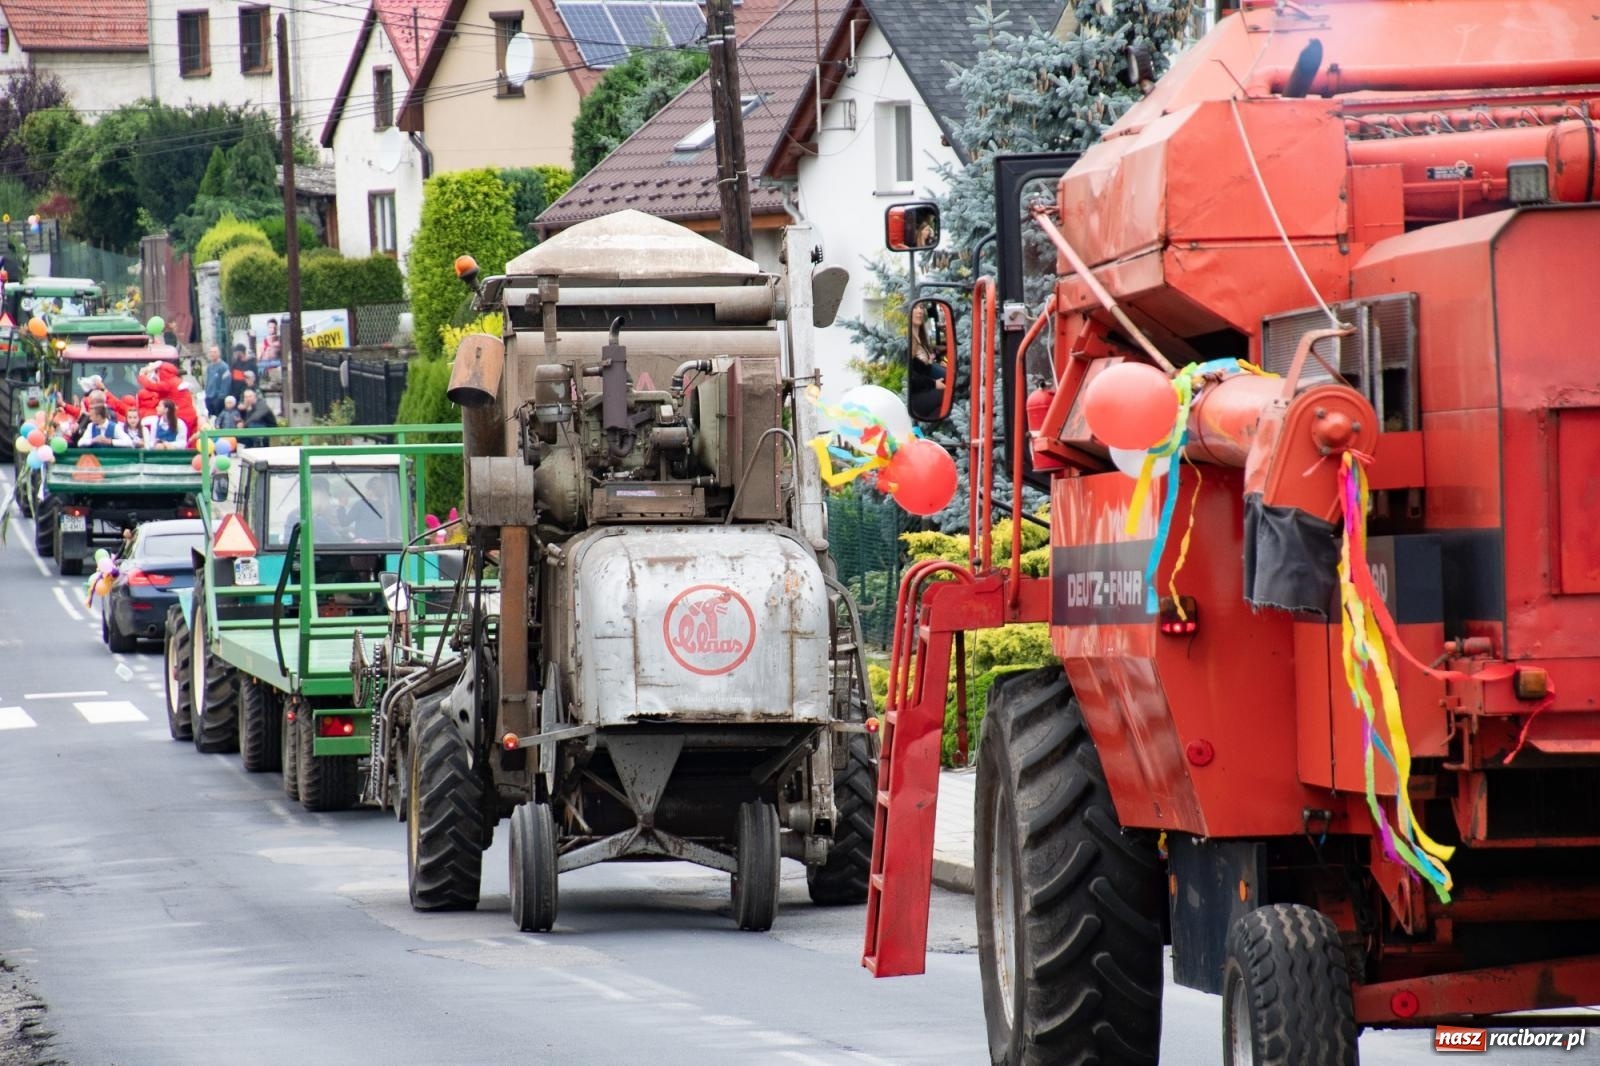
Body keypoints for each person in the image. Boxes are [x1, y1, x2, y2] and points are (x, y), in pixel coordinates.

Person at [907, 303, 947, 421]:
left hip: (925, 386)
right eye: (915, 307)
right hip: (915, 395)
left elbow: (925, 368)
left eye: (921, 307)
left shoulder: (921, 339)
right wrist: (933, 383)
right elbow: (912, 377)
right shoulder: (907, 342)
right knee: (946, 395)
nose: (919, 311)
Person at [202, 344, 230, 418]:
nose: (212, 354)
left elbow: (225, 385)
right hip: (209, 398)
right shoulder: (209, 367)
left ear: (219, 353)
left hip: (218, 399)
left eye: (215, 352)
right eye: (211, 352)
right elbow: (208, 381)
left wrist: (220, 398)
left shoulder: (224, 367)